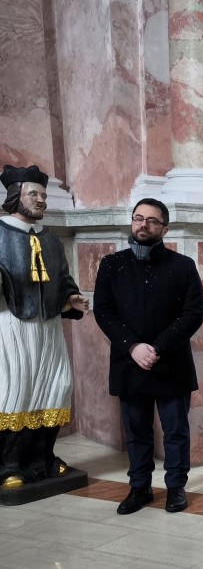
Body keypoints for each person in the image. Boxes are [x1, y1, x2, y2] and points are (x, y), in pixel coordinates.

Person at [93, 198, 203, 514]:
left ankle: (176, 487)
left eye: (152, 220)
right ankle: (139, 487)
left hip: (171, 363)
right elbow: (104, 311)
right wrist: (133, 346)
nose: (143, 224)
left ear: (164, 229)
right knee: (137, 432)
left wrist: (157, 347)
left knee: (176, 431)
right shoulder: (111, 264)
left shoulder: (183, 266)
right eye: (138, 218)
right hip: (129, 362)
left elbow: (193, 314)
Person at [0, 164, 89, 490]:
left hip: (49, 326)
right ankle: (9, 465)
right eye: (33, 194)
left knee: (56, 387)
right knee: (16, 392)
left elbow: (63, 278)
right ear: (15, 196)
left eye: (43, 195)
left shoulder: (49, 239)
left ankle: (43, 459)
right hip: (11, 324)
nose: (41, 200)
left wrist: (71, 298)